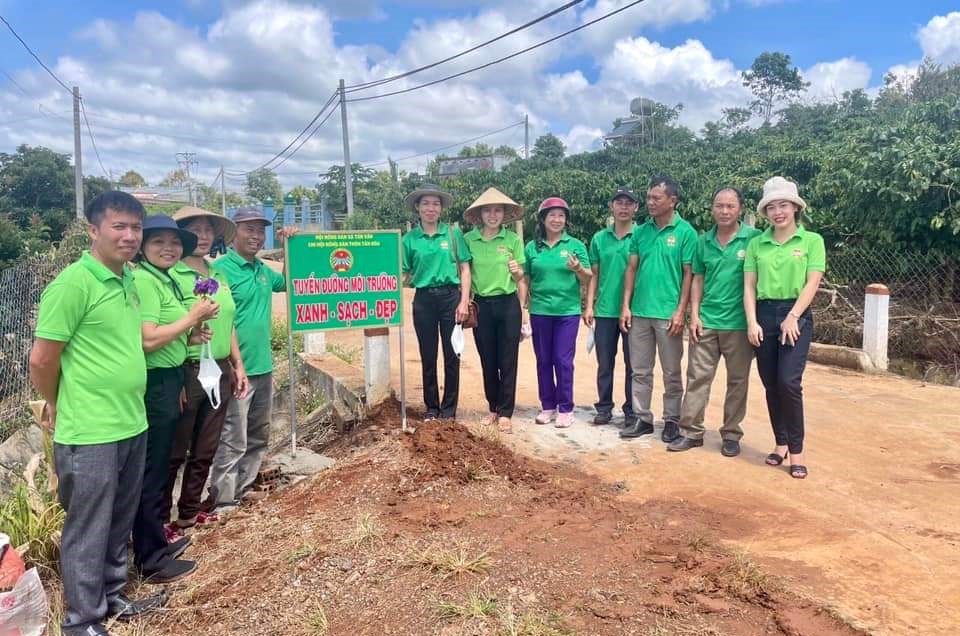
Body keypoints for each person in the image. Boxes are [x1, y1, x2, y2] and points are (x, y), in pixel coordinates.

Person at [29, 192, 166, 636]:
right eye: (119, 227)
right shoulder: (74, 284)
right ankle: (82, 620)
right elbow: (42, 360)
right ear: (93, 230)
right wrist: (55, 402)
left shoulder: (127, 280)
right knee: (87, 527)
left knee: (118, 519)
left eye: (135, 228)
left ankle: (113, 596)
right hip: (90, 430)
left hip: (132, 421)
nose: (129, 237)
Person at [131, 215, 219, 583]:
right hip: (153, 384)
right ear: (143, 247)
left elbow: (165, 336)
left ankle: (156, 545)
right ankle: (151, 561)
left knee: (162, 461)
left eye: (173, 242)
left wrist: (190, 338)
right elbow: (147, 339)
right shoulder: (145, 281)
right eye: (158, 242)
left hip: (169, 378)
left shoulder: (161, 279)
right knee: (153, 470)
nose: (167, 248)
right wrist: (193, 317)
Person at [164, 207, 249, 536]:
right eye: (193, 229)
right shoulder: (170, 275)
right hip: (187, 370)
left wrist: (237, 364)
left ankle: (188, 511)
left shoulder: (217, 273)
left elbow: (226, 323)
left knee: (206, 445)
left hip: (219, 369)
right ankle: (160, 520)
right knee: (176, 448)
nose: (202, 235)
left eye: (207, 229)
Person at [207, 208, 294, 510]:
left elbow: (288, 283)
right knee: (233, 437)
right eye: (249, 229)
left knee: (258, 434)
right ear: (233, 234)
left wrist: (288, 247)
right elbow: (216, 320)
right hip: (236, 369)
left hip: (264, 366)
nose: (256, 236)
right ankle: (223, 500)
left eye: (260, 231)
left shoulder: (261, 269)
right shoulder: (220, 271)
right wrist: (232, 364)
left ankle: (243, 490)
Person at [668, 188, 761, 456]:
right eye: (719, 205)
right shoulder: (703, 241)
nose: (724, 211)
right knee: (697, 378)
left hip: (739, 325)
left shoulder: (752, 239)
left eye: (730, 206)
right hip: (706, 322)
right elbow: (698, 278)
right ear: (711, 208)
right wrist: (694, 315)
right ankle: (691, 431)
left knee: (737, 381)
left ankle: (731, 434)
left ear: (740, 209)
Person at [744, 177, 825, 479]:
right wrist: (752, 321)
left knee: (789, 382)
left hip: (796, 315)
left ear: (795, 208)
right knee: (771, 383)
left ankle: (797, 451)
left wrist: (792, 316)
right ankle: (780, 443)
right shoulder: (757, 244)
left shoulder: (811, 241)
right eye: (772, 207)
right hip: (764, 315)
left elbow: (813, 282)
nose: (778, 212)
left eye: (783, 205)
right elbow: (749, 287)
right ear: (765, 212)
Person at [619, 176, 697, 441]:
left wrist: (680, 311)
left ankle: (672, 419)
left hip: (668, 315)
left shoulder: (685, 232)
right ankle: (642, 418)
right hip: (639, 312)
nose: (650, 202)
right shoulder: (640, 232)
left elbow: (689, 274)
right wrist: (626, 306)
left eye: (656, 198)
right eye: (649, 197)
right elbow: (631, 268)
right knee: (640, 370)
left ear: (672, 200)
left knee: (672, 371)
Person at [401, 184, 472, 421]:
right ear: (417, 208)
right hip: (423, 300)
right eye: (425, 204)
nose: (431, 208)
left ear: (441, 209)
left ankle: (449, 409)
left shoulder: (452, 234)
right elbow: (402, 273)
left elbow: (464, 267)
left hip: (451, 298)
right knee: (428, 355)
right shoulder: (409, 240)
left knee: (452, 354)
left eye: (435, 204)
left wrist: (463, 302)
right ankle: (431, 408)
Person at [462, 187, 527, 433]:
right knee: (488, 358)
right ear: (480, 215)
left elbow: (521, 277)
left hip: (508, 303)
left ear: (504, 214)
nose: (493, 215)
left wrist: (516, 271)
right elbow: (463, 272)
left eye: (498, 210)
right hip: (482, 306)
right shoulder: (469, 240)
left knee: (508, 359)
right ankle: (493, 407)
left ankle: (506, 412)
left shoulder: (512, 240)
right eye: (487, 210)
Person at [524, 197, 592, 429]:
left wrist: (578, 269)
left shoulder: (575, 245)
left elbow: (587, 278)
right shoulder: (532, 247)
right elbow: (525, 278)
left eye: (561, 215)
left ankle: (565, 408)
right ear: (543, 219)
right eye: (552, 215)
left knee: (563, 360)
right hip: (540, 311)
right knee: (543, 360)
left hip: (567, 312)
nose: (556, 219)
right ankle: (548, 406)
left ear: (566, 220)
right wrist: (523, 309)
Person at [584, 187, 639, 427]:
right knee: (605, 363)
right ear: (612, 206)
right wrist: (589, 305)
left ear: (636, 207)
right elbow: (594, 275)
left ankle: (631, 410)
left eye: (629, 203)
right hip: (605, 310)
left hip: (634, 311)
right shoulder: (599, 238)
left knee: (633, 364)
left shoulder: (642, 235)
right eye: (619, 202)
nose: (624, 207)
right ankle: (604, 407)